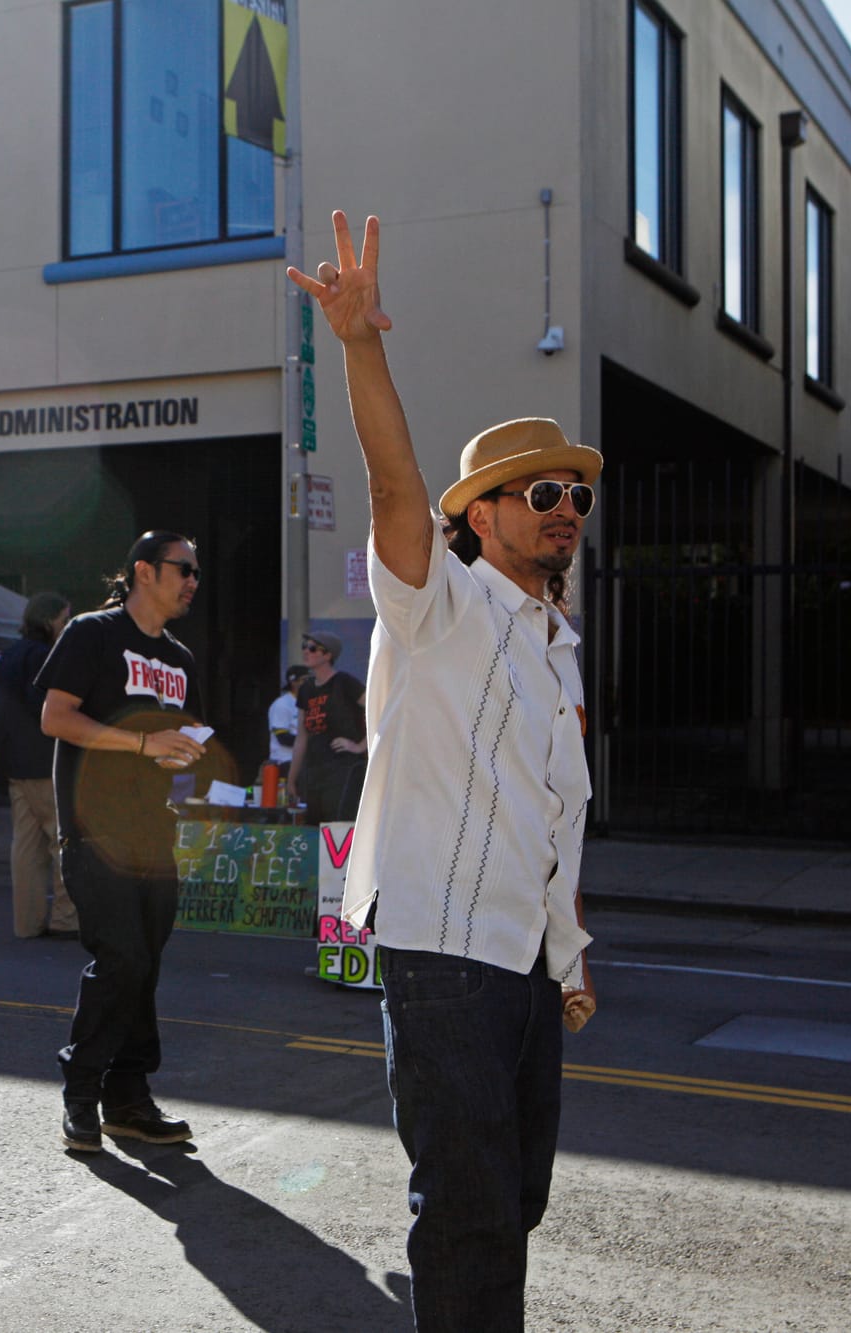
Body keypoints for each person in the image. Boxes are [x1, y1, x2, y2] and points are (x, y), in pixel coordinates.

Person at [291, 212, 598, 1331]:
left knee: (511, 1200)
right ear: (479, 514)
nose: (566, 509)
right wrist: (360, 346)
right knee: (466, 1210)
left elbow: (551, 820)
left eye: (576, 494)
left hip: (518, 962)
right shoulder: (442, 606)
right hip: (442, 954)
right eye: (542, 492)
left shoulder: (556, 647)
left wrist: (565, 954)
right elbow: (387, 491)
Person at [36, 530, 235, 1153]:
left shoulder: (179, 659)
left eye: (198, 573)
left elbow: (189, 734)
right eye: (184, 570)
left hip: (153, 830)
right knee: (121, 958)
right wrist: (143, 743)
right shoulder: (92, 633)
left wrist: (183, 752)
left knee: (143, 967)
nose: (193, 582)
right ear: (144, 571)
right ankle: (81, 1091)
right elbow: (56, 717)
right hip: (95, 828)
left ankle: (127, 1099)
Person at [0, 590, 78, 939]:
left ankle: (26, 922)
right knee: (63, 844)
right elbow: (49, 711)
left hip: (15, 765)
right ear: (49, 621)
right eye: (66, 618)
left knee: (25, 849)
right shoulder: (45, 657)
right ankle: (66, 918)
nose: (68, 624)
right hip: (47, 762)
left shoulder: (8, 657)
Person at [287, 631, 368, 822]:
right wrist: (292, 779)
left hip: (343, 769)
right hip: (315, 770)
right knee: (315, 822)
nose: (307, 651)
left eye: (313, 648)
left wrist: (359, 745)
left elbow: (379, 710)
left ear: (328, 655)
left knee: (337, 824)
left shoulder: (344, 682)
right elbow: (302, 736)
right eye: (304, 647)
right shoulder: (306, 689)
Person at [265, 664, 311, 783]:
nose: (309, 683)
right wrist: (311, 741)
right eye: (304, 680)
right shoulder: (282, 704)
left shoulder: (309, 702)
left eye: (310, 679)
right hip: (286, 761)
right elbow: (283, 738)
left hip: (307, 760)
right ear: (293, 682)